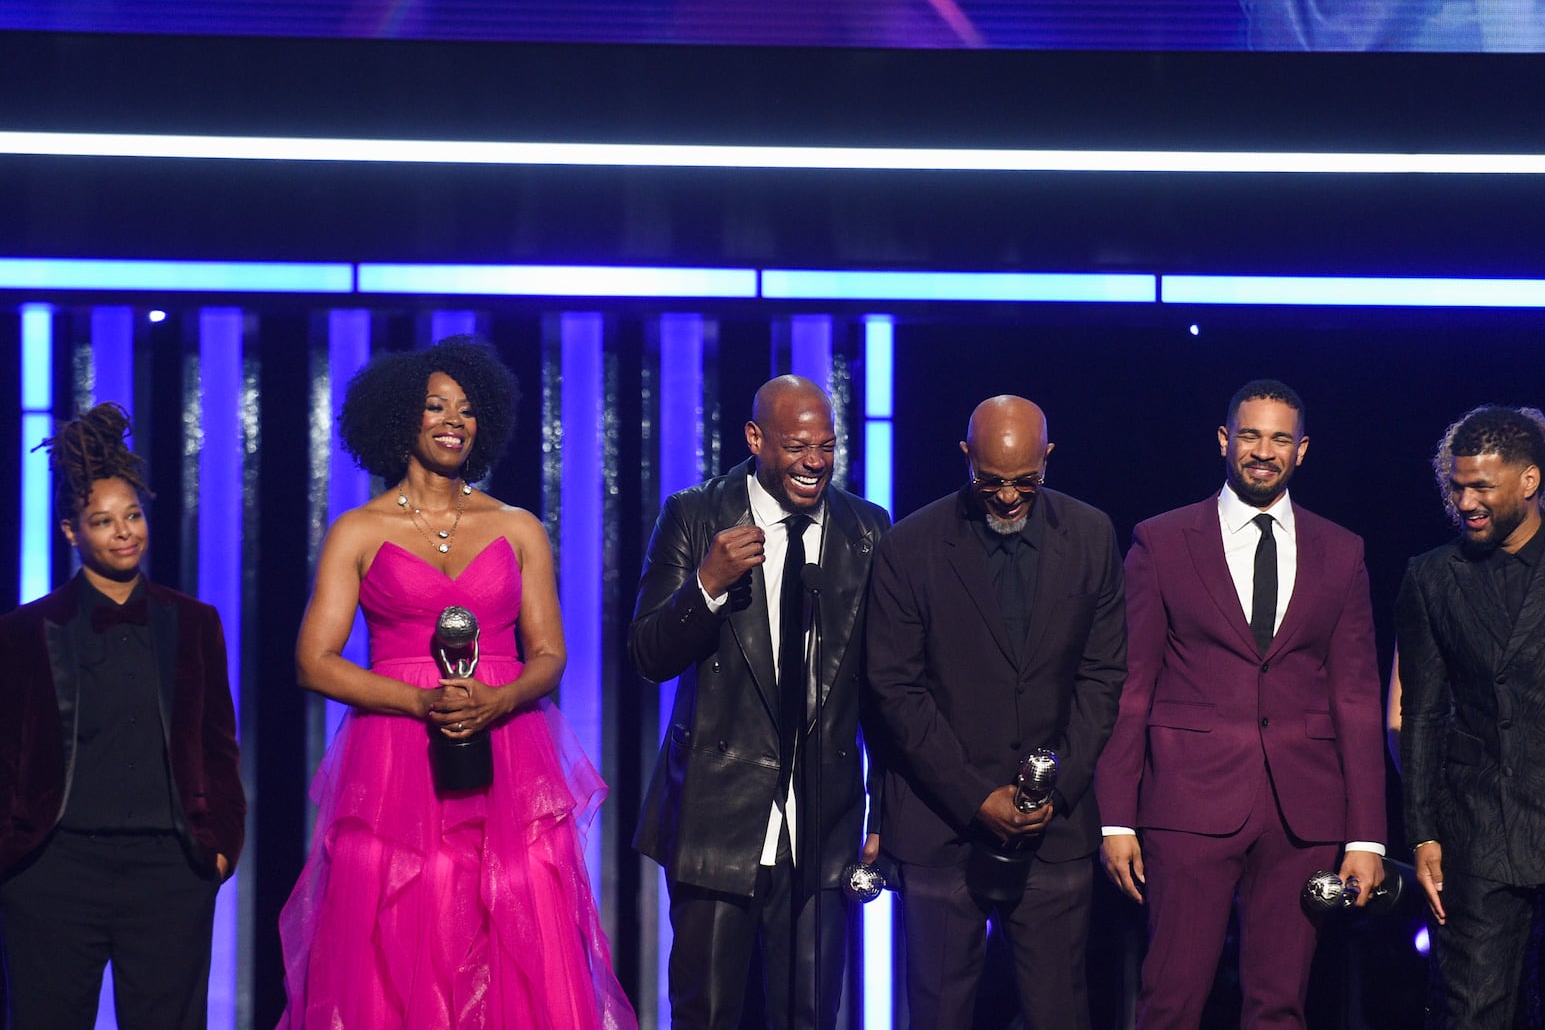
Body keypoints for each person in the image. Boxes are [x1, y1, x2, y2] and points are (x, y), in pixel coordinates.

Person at [276, 337, 635, 1029]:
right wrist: (418, 699)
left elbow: (550, 653)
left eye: (467, 410)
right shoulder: (359, 529)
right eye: (435, 405)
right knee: (400, 917)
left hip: (509, 751)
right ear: (399, 418)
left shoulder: (518, 526)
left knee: (518, 913)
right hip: (392, 760)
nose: (453, 420)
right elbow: (313, 659)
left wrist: (500, 697)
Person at [1095, 379, 1387, 1030]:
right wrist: (1116, 816)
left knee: (1280, 1006)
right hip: (1187, 803)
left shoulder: (1342, 552)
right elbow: (1130, 684)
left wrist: (1366, 833)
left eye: (1280, 438)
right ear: (1225, 440)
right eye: (1250, 435)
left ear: (1302, 450)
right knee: (1170, 999)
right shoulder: (1162, 540)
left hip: (1303, 810)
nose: (1263, 450)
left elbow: (1357, 697)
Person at [630, 374, 889, 1029]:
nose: (815, 462)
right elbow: (647, 655)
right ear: (755, 438)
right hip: (717, 815)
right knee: (705, 1012)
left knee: (811, 1014)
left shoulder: (867, 529)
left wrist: (884, 812)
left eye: (826, 446)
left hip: (824, 824)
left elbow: (890, 688)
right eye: (798, 445)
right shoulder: (695, 514)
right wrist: (706, 585)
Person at [865, 394, 1127, 1030]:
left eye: (1025, 482)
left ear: (1048, 459)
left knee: (1057, 1012)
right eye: (990, 482)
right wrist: (976, 794)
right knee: (940, 1013)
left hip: (1052, 828)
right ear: (965, 458)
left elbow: (1103, 677)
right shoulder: (910, 546)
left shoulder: (1091, 536)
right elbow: (895, 688)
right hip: (940, 823)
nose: (1009, 497)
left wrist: (1052, 789)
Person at [0, 402, 245, 1029]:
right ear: (71, 532)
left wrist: (220, 849)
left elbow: (219, 745)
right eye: (103, 521)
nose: (124, 532)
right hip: (52, 870)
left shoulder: (194, 622)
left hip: (169, 870)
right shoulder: (25, 631)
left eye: (132, 515)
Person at [1397, 404, 1545, 1027]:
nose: (1465, 501)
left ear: (1530, 481)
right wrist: (1424, 832)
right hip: (1477, 826)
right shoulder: (1431, 577)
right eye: (1456, 486)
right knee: (1471, 1012)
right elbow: (1422, 714)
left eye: (1481, 486)